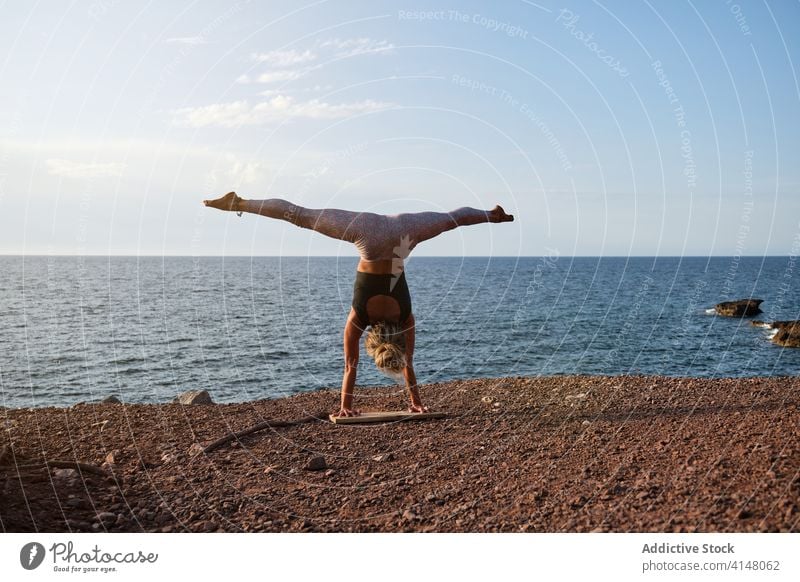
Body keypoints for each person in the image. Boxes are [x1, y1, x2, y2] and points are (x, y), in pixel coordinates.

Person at [203, 192, 514, 417]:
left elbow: (407, 365)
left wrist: (414, 400)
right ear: (374, 341)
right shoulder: (359, 318)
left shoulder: (405, 318)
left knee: (452, 220)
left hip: (402, 232)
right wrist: (346, 405)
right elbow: (350, 366)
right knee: (303, 218)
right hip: (366, 234)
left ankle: (493, 215)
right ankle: (239, 203)